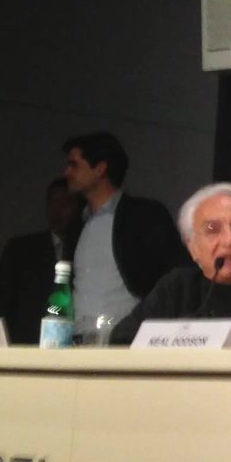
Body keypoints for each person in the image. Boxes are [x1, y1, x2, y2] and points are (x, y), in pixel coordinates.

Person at [109, 183, 231, 346]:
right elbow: (121, 342)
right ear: (192, 247)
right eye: (213, 229)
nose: (230, 240)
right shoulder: (178, 288)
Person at [60, 132, 191, 342]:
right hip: (76, 340)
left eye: (74, 165)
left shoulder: (143, 214)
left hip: (129, 342)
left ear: (100, 168)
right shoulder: (77, 224)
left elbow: (179, 274)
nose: (66, 172)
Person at [0, 178, 83, 345]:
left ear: (78, 207)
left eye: (65, 204)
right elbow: (1, 303)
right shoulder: (21, 249)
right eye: (52, 203)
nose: (57, 211)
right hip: (27, 343)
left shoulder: (87, 247)